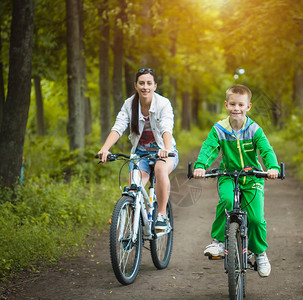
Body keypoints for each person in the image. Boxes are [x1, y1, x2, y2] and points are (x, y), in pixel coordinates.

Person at [193, 84, 279, 277]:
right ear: (226, 105)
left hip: (252, 177)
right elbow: (209, 147)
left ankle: (259, 253)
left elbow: (266, 149)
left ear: (248, 107)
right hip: (228, 175)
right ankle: (218, 242)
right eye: (232, 104)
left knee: (256, 219)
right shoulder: (219, 129)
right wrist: (200, 165)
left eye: (241, 104)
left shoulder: (254, 130)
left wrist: (272, 167)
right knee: (227, 202)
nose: (236, 108)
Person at [98, 68, 178, 231]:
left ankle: (161, 215)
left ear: (155, 86)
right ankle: (130, 220)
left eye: (149, 83)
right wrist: (105, 148)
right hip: (140, 154)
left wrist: (167, 148)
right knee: (135, 187)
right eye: (141, 83)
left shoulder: (163, 103)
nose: (145, 87)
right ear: (135, 85)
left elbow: (166, 128)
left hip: (163, 151)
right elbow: (118, 127)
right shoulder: (129, 104)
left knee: (160, 169)